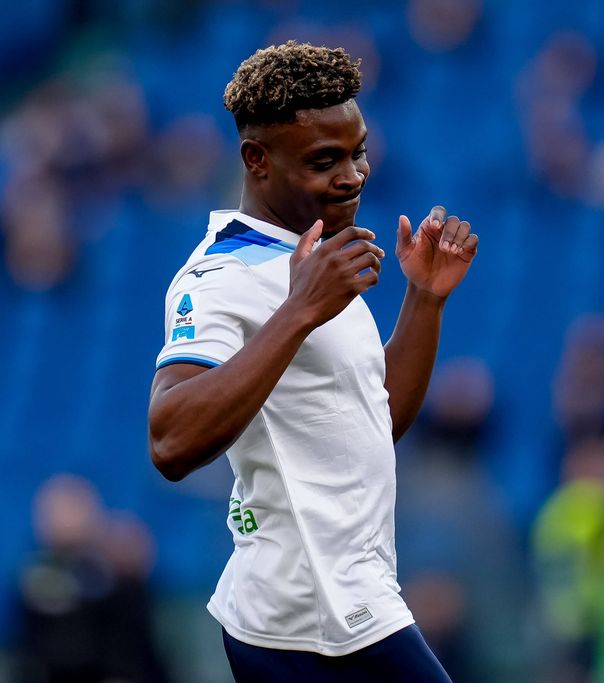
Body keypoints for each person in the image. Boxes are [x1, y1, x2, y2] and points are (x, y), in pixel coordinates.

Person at [147, 41, 477, 681]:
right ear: (256, 160)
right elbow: (170, 440)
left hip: (332, 598)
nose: (351, 176)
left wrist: (425, 301)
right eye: (325, 160)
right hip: (315, 608)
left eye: (357, 154)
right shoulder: (219, 276)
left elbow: (375, 420)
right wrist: (300, 310)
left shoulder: (313, 258)